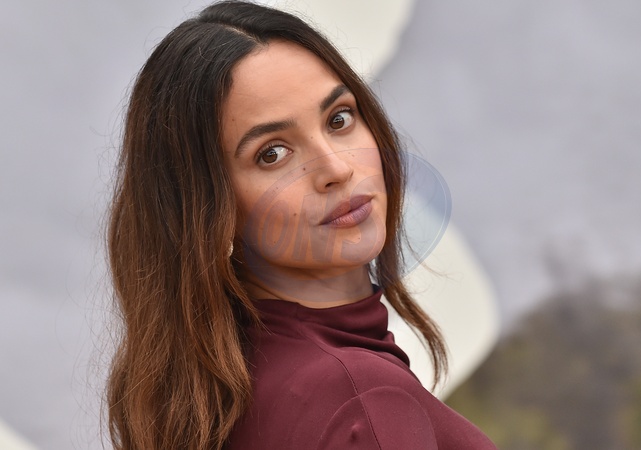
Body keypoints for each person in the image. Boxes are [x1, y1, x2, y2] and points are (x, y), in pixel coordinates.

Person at [106, 1, 497, 449]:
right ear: (207, 211)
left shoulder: (228, 387)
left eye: (339, 119)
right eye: (272, 153)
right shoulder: (362, 400)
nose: (337, 168)